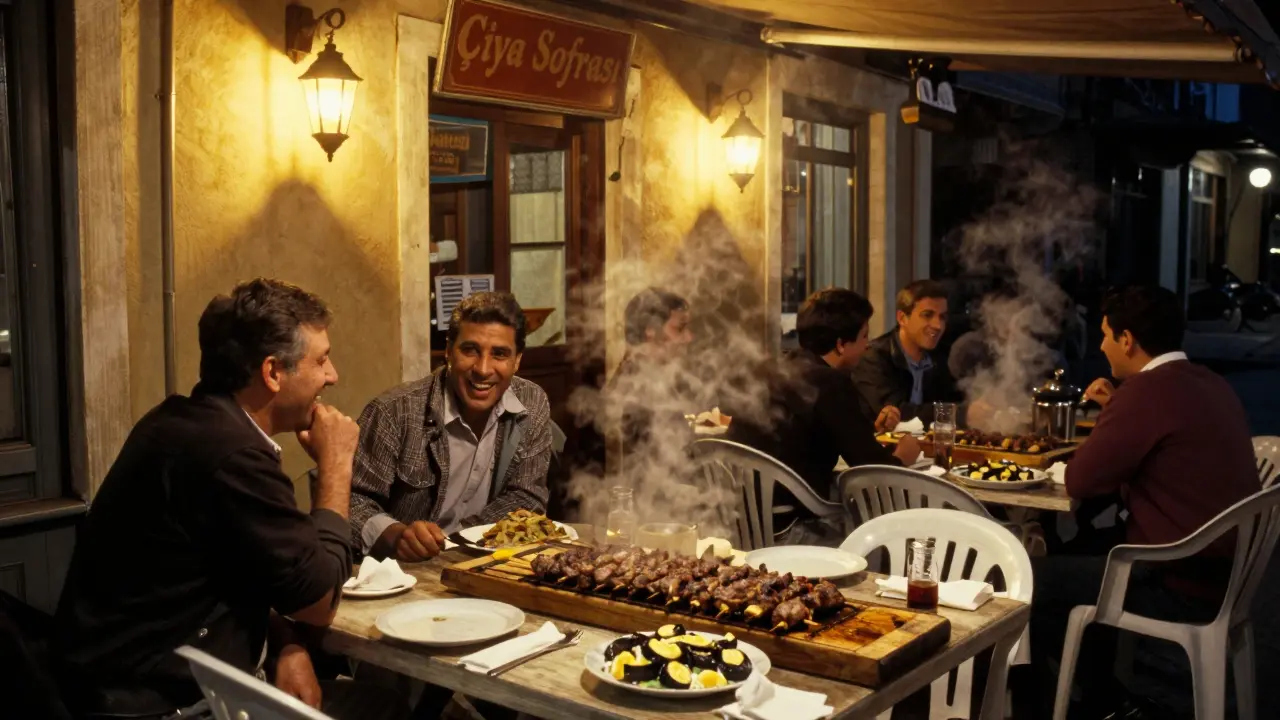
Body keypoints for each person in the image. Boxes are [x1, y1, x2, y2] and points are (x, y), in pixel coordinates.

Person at [53, 279, 406, 720]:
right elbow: (318, 602)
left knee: (376, 701)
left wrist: (284, 643)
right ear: (272, 372)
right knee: (384, 708)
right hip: (160, 704)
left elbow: (233, 572)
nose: (332, 376)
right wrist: (336, 465)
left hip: (126, 685)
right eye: (321, 360)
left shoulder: (179, 422)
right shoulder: (232, 455)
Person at [1027, 285, 1258, 718]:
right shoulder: (1210, 382)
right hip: (1229, 573)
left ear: (1127, 339)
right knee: (1082, 553)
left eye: (1105, 335)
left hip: (1178, 579)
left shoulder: (1145, 392)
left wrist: (1119, 410)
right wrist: (1120, 407)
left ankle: (1064, 703)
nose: (1101, 346)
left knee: (1027, 577)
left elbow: (1080, 479)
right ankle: (1104, 696)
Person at [350, 291, 553, 563]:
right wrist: (395, 534)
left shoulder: (532, 402)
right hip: (401, 572)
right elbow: (350, 503)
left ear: (517, 360)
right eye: (470, 350)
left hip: (485, 562)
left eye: (499, 354)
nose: (483, 369)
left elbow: (527, 496)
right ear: (448, 351)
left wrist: (461, 541)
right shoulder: (393, 412)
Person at [727, 289, 922, 546]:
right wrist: (903, 458)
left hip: (740, 526)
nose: (867, 346)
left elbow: (806, 436)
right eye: (864, 336)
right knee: (881, 542)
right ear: (841, 344)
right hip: (789, 532)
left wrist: (866, 429)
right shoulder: (829, 382)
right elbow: (872, 469)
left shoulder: (771, 370)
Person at [853, 279, 962, 427]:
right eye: (927, 315)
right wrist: (959, 413)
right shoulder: (874, 357)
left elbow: (955, 397)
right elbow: (896, 413)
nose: (938, 325)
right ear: (902, 318)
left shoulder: (940, 357)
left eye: (942, 317)